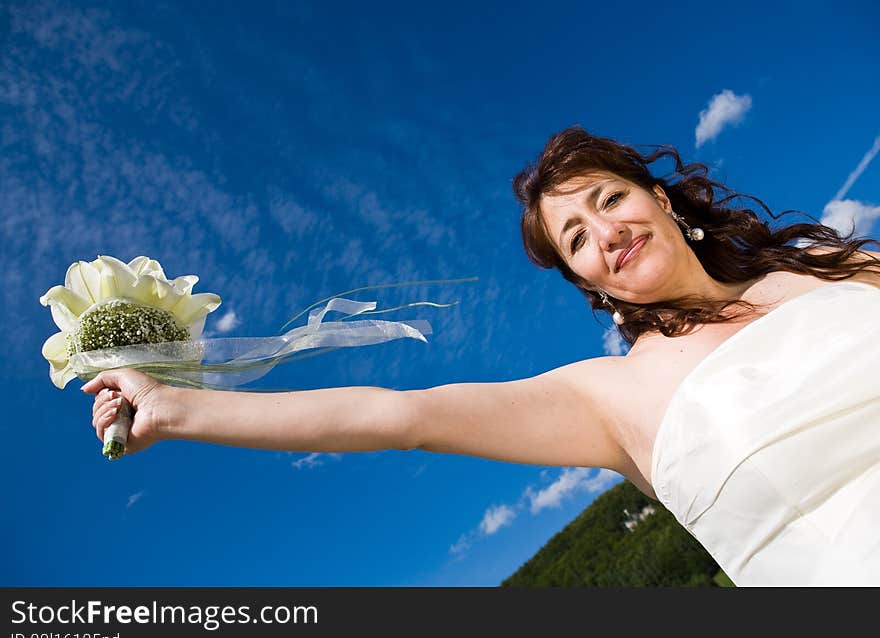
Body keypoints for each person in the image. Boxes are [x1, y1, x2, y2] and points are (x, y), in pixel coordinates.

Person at [83, 126, 880, 586]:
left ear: (658, 198)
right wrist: (176, 406)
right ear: (587, 282)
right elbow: (403, 415)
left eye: (611, 199)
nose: (607, 231)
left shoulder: (822, 270)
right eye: (577, 238)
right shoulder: (608, 397)